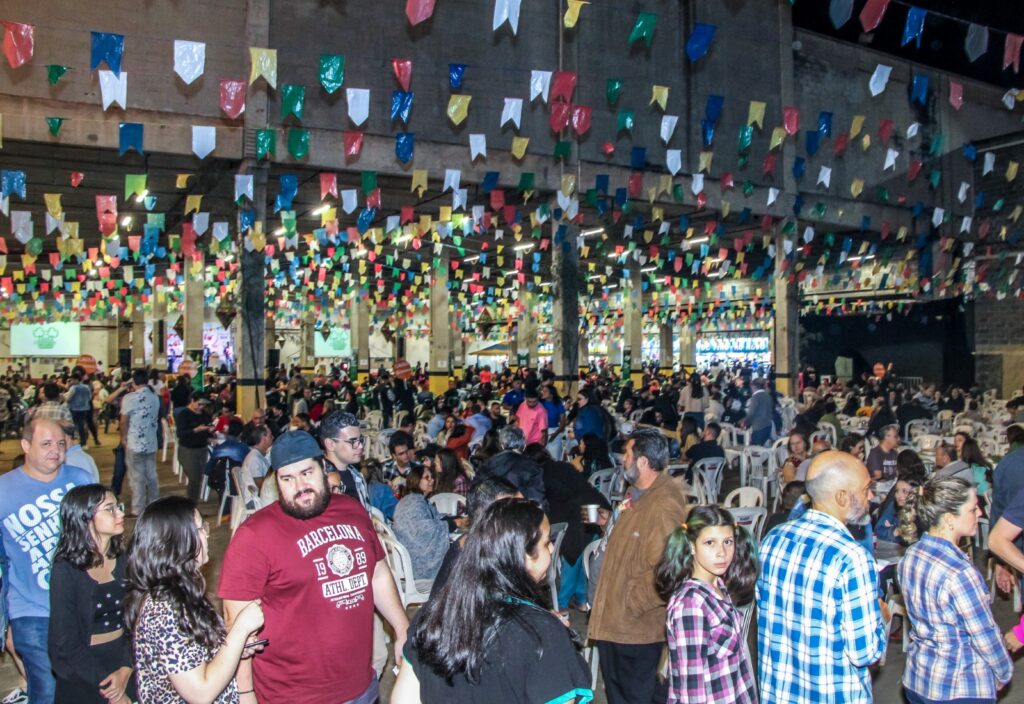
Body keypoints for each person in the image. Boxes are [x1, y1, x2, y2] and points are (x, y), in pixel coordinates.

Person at [217, 430, 409, 704]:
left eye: (307, 472)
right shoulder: (255, 535)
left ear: (323, 468)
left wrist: (402, 629)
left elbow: (377, 573)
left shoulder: (352, 511)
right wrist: (246, 694)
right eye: (287, 478)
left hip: (362, 685)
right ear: (276, 481)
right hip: (295, 695)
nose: (300, 485)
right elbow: (236, 625)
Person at [392, 498, 593, 704]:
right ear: (522, 554)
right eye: (546, 542)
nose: (551, 549)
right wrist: (550, 632)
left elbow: (403, 699)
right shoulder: (542, 635)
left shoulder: (433, 615)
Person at [757, 451, 886, 704]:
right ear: (841, 497)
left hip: (780, 692)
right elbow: (865, 652)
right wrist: (880, 617)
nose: (871, 496)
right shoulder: (851, 558)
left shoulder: (773, 539)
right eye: (866, 489)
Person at [126, 496, 265, 703]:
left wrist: (234, 648)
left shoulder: (184, 593)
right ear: (177, 542)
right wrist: (241, 628)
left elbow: (197, 657)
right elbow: (200, 694)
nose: (207, 535)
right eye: (200, 529)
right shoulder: (163, 608)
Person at [589, 428, 690, 704]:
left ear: (643, 461)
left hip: (634, 628)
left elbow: (670, 569)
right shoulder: (639, 495)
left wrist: (632, 601)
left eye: (628, 454)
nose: (623, 460)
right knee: (626, 694)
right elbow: (637, 543)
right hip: (617, 621)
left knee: (634, 696)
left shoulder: (663, 505)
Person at [0, 419, 94, 704]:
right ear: (26, 446)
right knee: (47, 685)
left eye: (60, 443)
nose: (55, 450)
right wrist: (6, 625)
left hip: (81, 600)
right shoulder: (3, 491)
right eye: (46, 444)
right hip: (31, 608)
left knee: (86, 682)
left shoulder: (80, 479)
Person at [897, 477, 1012, 704]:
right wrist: (1003, 671)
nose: (979, 513)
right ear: (949, 519)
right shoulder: (960, 572)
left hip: (919, 678)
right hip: (958, 686)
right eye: (972, 509)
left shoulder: (911, 555)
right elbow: (984, 636)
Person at [655, 506, 759, 704]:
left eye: (728, 542)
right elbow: (690, 690)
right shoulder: (691, 605)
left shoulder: (718, 585)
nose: (722, 552)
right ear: (692, 545)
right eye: (710, 543)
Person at [47, 485, 135, 704]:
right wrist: (110, 689)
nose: (121, 513)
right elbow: (65, 641)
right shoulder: (66, 569)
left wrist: (125, 669)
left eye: (119, 507)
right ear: (85, 518)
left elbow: (136, 620)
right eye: (110, 509)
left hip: (124, 659)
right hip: (84, 669)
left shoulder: (124, 559)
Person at [524, 444, 610, 612]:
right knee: (583, 554)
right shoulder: (562, 465)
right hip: (593, 508)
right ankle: (581, 599)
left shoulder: (539, 475)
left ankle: (562, 605)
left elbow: (542, 505)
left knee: (572, 558)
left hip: (575, 516)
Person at [392, 466, 451, 580]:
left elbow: (435, 518)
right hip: (416, 561)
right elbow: (426, 530)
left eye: (432, 477)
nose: (432, 480)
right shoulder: (414, 502)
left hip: (409, 557)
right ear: (417, 480)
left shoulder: (414, 499)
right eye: (427, 478)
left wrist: (452, 520)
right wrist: (452, 524)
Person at [119, 369, 162, 515]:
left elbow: (124, 421)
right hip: (151, 442)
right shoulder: (155, 396)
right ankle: (154, 503)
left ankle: (138, 508)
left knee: (137, 477)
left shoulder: (129, 398)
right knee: (151, 475)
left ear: (134, 381)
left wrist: (123, 437)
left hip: (135, 442)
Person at [475, 426, 546, 507]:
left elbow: (477, 495)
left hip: (492, 515)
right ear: (524, 445)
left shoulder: (486, 466)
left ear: (502, 445)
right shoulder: (533, 468)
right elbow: (538, 501)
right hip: (521, 516)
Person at [320, 410, 371, 509]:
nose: (360, 446)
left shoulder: (356, 475)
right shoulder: (322, 482)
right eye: (352, 441)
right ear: (330, 444)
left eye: (360, 440)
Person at [873, 474, 923, 544]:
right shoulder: (894, 505)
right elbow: (878, 531)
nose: (899, 496)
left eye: (905, 491)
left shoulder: (924, 511)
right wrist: (897, 531)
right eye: (897, 491)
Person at [66, 372, 100, 448]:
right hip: (85, 408)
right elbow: (89, 397)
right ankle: (84, 442)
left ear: (76, 379)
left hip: (74, 408)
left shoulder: (73, 388)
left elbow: (68, 398)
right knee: (82, 425)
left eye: (72, 380)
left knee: (74, 425)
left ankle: (75, 441)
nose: (72, 382)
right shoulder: (86, 387)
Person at [743, 378, 773, 446]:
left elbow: (751, 413)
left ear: (753, 386)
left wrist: (744, 422)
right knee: (762, 448)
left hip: (758, 427)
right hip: (768, 425)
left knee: (755, 450)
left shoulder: (756, 397)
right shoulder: (768, 395)